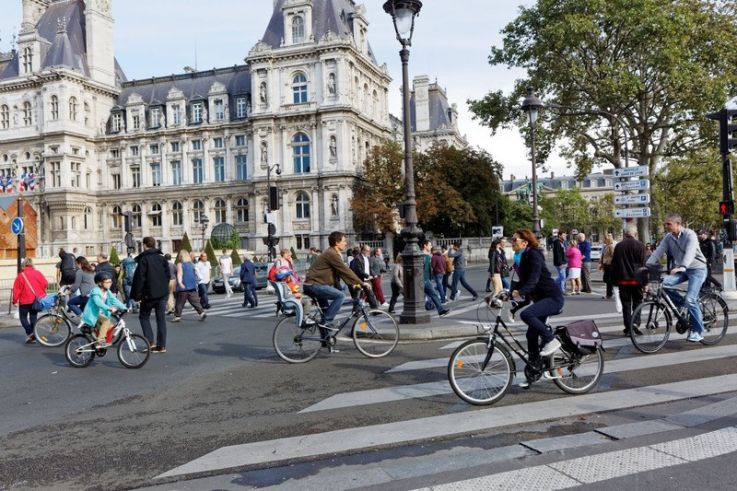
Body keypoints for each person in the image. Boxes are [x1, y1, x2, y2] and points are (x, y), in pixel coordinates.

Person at [509, 229, 564, 387]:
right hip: (541, 299)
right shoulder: (523, 256)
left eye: (514, 240)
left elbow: (534, 278)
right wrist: (507, 294)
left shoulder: (534, 254)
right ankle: (534, 372)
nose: (512, 242)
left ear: (524, 242)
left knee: (526, 315)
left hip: (552, 298)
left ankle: (550, 339)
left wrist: (520, 292)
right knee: (530, 336)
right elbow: (524, 281)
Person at [646, 213, 708, 342]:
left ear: (678, 224)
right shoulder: (669, 237)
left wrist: (683, 266)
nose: (666, 226)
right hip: (682, 270)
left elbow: (690, 252)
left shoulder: (690, 235)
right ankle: (681, 304)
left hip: (697, 269)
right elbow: (658, 251)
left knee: (691, 299)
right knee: (662, 284)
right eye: (666, 224)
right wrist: (647, 265)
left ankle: (699, 331)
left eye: (669, 224)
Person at [302, 231, 370, 330]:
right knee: (341, 296)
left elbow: (340, 273)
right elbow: (345, 270)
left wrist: (353, 284)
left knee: (325, 312)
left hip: (315, 284)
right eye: (344, 241)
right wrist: (362, 282)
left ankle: (326, 341)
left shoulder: (332, 252)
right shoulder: (332, 253)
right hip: (314, 285)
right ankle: (327, 321)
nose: (345, 243)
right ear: (337, 242)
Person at [131, 236, 171, 353]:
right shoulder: (161, 258)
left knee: (144, 317)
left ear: (144, 245)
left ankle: (150, 343)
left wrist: (137, 295)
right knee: (161, 319)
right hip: (162, 294)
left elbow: (140, 279)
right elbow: (167, 275)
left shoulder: (144, 259)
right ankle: (161, 345)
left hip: (148, 294)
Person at [611, 224, 646, 335]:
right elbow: (643, 265)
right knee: (638, 302)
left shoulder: (619, 246)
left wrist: (614, 280)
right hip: (636, 280)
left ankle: (628, 327)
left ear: (625, 234)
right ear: (635, 234)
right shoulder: (640, 246)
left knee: (626, 304)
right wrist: (644, 282)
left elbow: (614, 264)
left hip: (623, 280)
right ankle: (635, 323)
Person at [81, 272, 127, 348]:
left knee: (110, 327)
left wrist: (124, 307)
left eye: (110, 281)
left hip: (100, 313)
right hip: (92, 314)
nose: (110, 284)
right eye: (107, 282)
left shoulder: (107, 291)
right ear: (100, 283)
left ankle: (100, 339)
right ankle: (100, 341)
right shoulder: (95, 291)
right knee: (106, 321)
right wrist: (109, 308)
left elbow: (114, 300)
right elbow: (97, 302)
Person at [12, 258, 48, 344]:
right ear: (32, 264)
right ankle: (34, 335)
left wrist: (14, 301)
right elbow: (45, 283)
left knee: (23, 317)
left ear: (24, 265)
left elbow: (16, 289)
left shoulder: (21, 275)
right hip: (36, 300)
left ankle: (30, 333)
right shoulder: (38, 273)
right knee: (33, 317)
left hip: (25, 300)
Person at [173, 250, 207, 322]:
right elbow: (197, 274)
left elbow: (180, 274)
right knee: (195, 301)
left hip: (183, 287)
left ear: (181, 256)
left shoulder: (180, 264)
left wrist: (180, 282)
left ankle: (177, 316)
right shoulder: (192, 264)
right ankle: (202, 313)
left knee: (179, 302)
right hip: (192, 286)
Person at [421, 240, 450, 316]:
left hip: (427, 280)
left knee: (432, 295)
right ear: (425, 246)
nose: (431, 246)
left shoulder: (428, 256)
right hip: (422, 280)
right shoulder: (421, 256)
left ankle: (440, 310)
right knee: (429, 295)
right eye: (429, 245)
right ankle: (438, 310)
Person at [598, 233, 616, 300]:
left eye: (605, 239)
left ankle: (609, 294)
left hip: (609, 265)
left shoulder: (611, 246)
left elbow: (613, 256)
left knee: (608, 280)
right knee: (606, 279)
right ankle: (609, 293)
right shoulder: (606, 246)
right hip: (606, 265)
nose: (604, 240)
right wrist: (602, 263)